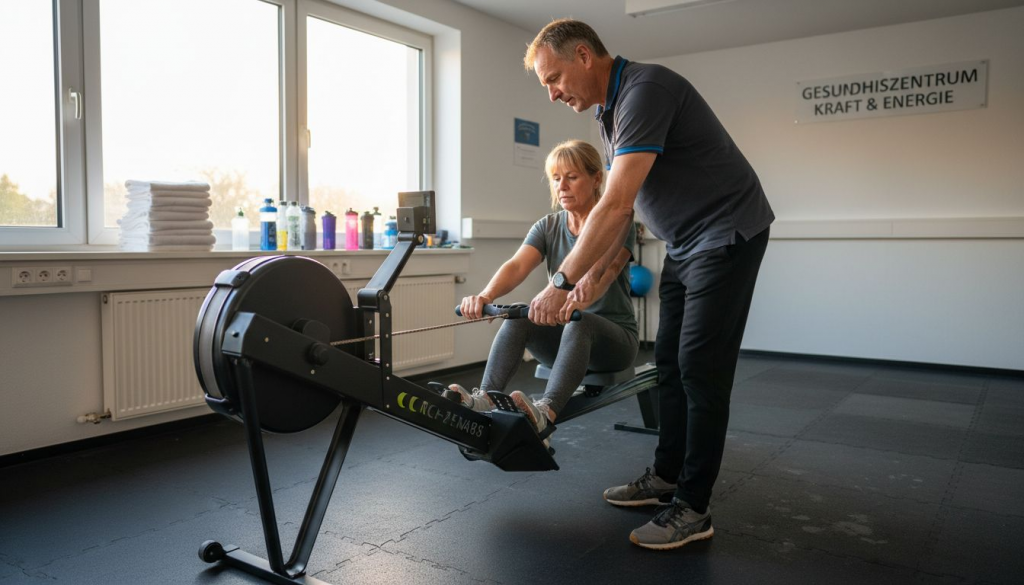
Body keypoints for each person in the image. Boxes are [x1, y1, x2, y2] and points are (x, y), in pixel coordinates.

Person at [523, 19, 774, 550]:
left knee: (700, 371)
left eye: (554, 78)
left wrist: (562, 282)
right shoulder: (607, 114)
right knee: (668, 364)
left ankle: (694, 507)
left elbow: (614, 203)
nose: (552, 93)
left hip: (727, 233)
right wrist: (591, 278)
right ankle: (666, 475)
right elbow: (625, 203)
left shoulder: (646, 90)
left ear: (584, 55)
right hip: (686, 242)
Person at [451, 139, 639, 442]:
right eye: (556, 178)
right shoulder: (547, 226)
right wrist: (486, 296)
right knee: (518, 315)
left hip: (614, 343)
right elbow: (516, 265)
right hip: (565, 339)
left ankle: (545, 414)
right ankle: (485, 398)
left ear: (596, 179)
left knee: (582, 323)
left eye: (572, 177)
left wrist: (571, 296)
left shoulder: (619, 221)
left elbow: (605, 271)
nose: (561, 186)